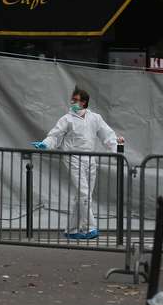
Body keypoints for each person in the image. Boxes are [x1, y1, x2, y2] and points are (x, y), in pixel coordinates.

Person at [31, 86, 123, 240]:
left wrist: (117, 145)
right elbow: (55, 135)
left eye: (76, 100)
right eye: (72, 99)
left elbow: (107, 135)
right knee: (83, 193)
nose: (72, 102)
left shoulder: (95, 118)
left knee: (83, 196)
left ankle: (72, 230)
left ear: (84, 102)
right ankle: (89, 228)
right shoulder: (66, 119)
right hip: (73, 158)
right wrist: (46, 144)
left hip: (89, 158)